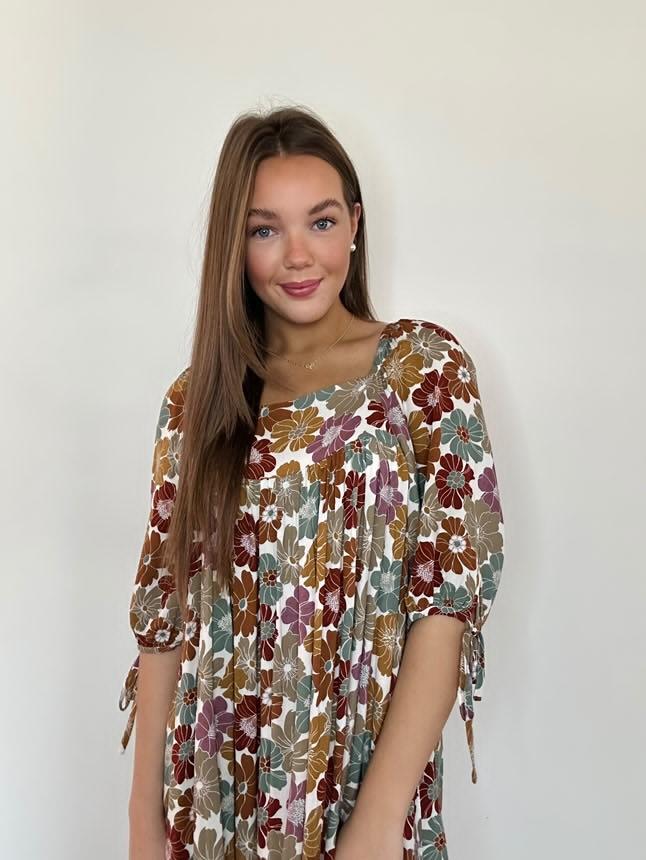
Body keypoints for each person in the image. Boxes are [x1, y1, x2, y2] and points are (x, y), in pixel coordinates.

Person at [119, 105, 505, 860]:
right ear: (234, 245)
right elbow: (166, 618)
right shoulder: (197, 403)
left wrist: (377, 827)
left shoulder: (421, 371)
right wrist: (143, 823)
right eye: (265, 230)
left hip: (361, 793)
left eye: (321, 222)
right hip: (213, 801)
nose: (298, 256)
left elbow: (446, 605)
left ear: (355, 224)